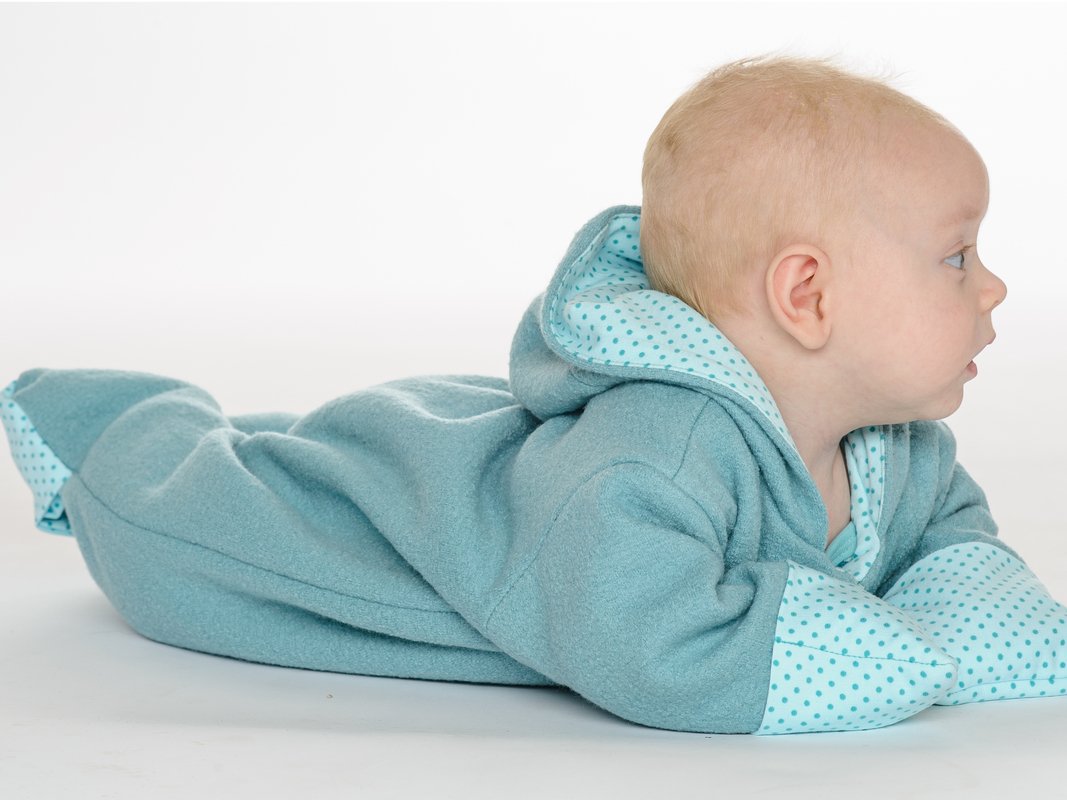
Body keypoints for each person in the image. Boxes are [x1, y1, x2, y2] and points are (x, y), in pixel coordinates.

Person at [3, 54, 1064, 736]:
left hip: (515, 475)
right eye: (955, 257)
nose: (993, 287)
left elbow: (949, 546)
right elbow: (646, 645)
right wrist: (901, 661)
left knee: (426, 438)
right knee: (212, 493)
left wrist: (972, 622)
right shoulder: (650, 459)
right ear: (806, 295)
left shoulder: (894, 448)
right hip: (348, 535)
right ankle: (98, 421)